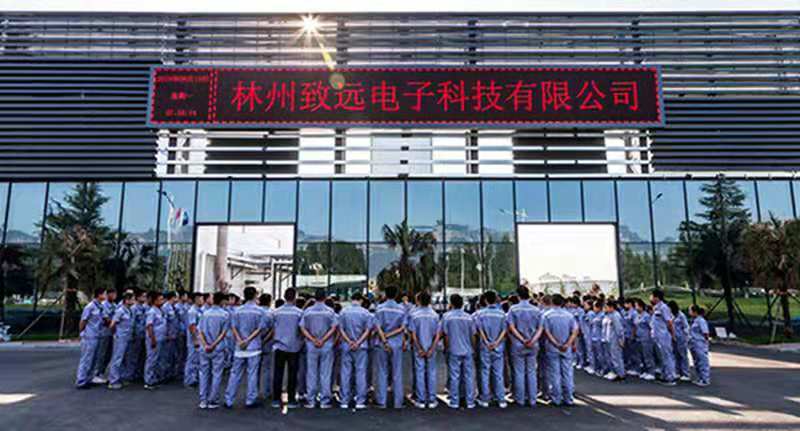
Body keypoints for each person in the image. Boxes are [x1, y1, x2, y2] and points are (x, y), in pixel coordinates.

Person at [223, 287, 266, 408]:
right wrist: (248, 340)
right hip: (254, 347)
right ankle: (250, 400)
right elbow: (259, 329)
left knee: (235, 373)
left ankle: (229, 399)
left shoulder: (237, 311)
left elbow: (233, 327)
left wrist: (240, 340)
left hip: (239, 347)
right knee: (252, 374)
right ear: (255, 295)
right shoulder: (260, 311)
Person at [299, 289, 339, 409]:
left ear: (314, 297)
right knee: (325, 373)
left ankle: (311, 400)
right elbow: (334, 328)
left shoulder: (307, 311)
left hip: (311, 345)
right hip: (326, 345)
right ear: (325, 297)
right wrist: (323, 339)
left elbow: (302, 328)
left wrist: (312, 339)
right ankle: (324, 400)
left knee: (311, 372)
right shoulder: (330, 311)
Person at [506, 286, 543, 407]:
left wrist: (522, 339)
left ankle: (520, 399)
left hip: (518, 344)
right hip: (533, 344)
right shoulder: (536, 310)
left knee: (519, 372)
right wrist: (533, 340)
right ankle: (532, 399)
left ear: (518, 296)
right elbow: (540, 328)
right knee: (532, 371)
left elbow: (511, 327)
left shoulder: (513, 309)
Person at [337, 292, 374, 409]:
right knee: (361, 373)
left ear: (351, 299)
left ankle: (344, 400)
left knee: (345, 373)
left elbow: (341, 330)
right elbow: (368, 331)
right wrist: (358, 342)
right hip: (361, 346)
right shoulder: (366, 313)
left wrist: (349, 341)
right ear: (361, 300)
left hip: (346, 346)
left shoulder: (343, 312)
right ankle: (360, 401)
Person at [374, 284, 408, 409]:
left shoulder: (379, 308)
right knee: (397, 372)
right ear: (396, 295)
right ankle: (398, 402)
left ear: (385, 294)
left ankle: (381, 401)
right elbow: (402, 328)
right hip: (396, 343)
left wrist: (384, 340)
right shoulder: (401, 309)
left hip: (382, 343)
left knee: (382, 372)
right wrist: (391, 336)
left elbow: (377, 327)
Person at [543, 294, 579, 406]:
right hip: (566, 348)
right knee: (567, 373)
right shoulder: (569, 315)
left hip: (552, 347)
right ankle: (568, 398)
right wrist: (568, 344)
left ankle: (556, 398)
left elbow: (547, 332)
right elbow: (575, 331)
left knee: (554, 373)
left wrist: (556, 343)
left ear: (552, 302)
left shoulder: (547, 315)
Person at [473, 290, 507, 408]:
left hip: (485, 346)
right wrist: (497, 342)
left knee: (485, 372)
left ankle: (485, 399)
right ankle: (501, 399)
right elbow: (504, 330)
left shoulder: (479, 314)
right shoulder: (502, 314)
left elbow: (479, 330)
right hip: (498, 346)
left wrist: (487, 341)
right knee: (498, 373)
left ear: (485, 300)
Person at [442, 293, 476, 409]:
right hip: (468, 350)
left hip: (454, 349)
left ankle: (454, 401)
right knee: (469, 376)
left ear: (451, 303)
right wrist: (473, 348)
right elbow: (473, 335)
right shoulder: (469, 317)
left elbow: (445, 335)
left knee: (454, 376)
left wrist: (447, 348)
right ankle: (470, 401)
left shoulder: (446, 317)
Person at [271, 287, 304, 409]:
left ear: (284, 297)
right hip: (294, 346)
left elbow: (272, 328)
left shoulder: (276, 312)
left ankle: (276, 399)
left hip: (279, 346)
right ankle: (291, 399)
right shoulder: (299, 313)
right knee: (292, 374)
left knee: (278, 373)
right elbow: (302, 329)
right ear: (295, 297)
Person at [408, 291, 441, 409]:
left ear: (419, 300)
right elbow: (437, 335)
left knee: (419, 372)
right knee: (431, 372)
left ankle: (420, 400)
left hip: (419, 348)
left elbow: (413, 334)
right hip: (431, 347)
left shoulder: (414, 315)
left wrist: (419, 348)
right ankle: (432, 399)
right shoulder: (435, 315)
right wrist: (432, 348)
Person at [197, 292, 230, 409]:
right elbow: (223, 333)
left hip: (204, 348)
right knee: (217, 374)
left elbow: (200, 331)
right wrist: (213, 345)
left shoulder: (204, 313)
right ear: (222, 301)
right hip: (218, 348)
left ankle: (203, 400)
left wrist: (205, 344)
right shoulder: (225, 315)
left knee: (203, 373)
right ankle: (213, 400)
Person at [75, 288, 107, 388]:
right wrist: (81, 333)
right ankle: (81, 380)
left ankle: (89, 378)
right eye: (104, 294)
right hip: (90, 336)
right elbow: (83, 321)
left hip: (98, 335)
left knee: (94, 359)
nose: (105, 296)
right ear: (99, 295)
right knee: (86, 359)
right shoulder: (90, 307)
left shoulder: (100, 306)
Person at [107, 292, 135, 389]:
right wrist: (116, 334)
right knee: (117, 358)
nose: (133, 301)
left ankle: (121, 377)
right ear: (127, 300)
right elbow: (112, 324)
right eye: (132, 299)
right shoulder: (120, 311)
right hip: (120, 337)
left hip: (127, 337)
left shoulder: (129, 310)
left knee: (123, 358)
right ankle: (113, 380)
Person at [650, 289, 677, 385]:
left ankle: (671, 377)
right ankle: (665, 375)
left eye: (652, 296)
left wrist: (672, 334)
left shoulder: (664, 307)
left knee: (667, 356)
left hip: (664, 336)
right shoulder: (656, 308)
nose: (650, 298)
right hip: (657, 336)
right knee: (662, 357)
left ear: (656, 297)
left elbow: (669, 322)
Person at [144, 291, 167, 390]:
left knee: (157, 359)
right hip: (154, 339)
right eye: (160, 299)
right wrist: (152, 339)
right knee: (151, 360)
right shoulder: (152, 311)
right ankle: (148, 381)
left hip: (160, 338)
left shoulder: (160, 310)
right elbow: (149, 326)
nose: (162, 301)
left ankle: (153, 378)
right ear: (155, 301)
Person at [94, 288, 117, 382]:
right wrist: (114, 325)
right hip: (104, 332)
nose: (114, 296)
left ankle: (102, 372)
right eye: (112, 294)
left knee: (108, 354)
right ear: (108, 295)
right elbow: (106, 318)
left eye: (115, 294)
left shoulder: (114, 305)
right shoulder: (104, 305)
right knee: (101, 354)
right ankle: (96, 373)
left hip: (111, 333)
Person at [124, 290, 148, 382]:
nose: (144, 298)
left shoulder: (144, 307)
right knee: (132, 356)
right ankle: (129, 375)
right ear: (138, 297)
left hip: (143, 335)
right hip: (136, 335)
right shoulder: (134, 308)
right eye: (143, 296)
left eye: (145, 296)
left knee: (141, 356)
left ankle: (138, 374)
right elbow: (132, 322)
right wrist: (132, 334)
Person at [183, 292, 204, 387]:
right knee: (191, 359)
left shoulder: (199, 310)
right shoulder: (192, 311)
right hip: (193, 339)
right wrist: (195, 340)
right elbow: (192, 326)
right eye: (200, 299)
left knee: (196, 359)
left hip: (199, 338)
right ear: (196, 299)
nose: (202, 300)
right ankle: (189, 380)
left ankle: (194, 378)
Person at [633, 299, 657, 381]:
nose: (636, 308)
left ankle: (651, 372)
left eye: (637, 306)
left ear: (641, 307)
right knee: (641, 356)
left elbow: (651, 327)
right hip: (638, 338)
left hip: (646, 338)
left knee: (648, 355)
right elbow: (635, 326)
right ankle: (645, 371)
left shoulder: (646, 316)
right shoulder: (636, 315)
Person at [601, 301, 625, 381]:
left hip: (615, 339)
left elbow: (619, 329)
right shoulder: (608, 315)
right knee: (611, 356)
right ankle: (614, 372)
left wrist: (621, 339)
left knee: (616, 356)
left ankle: (620, 374)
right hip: (608, 338)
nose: (605, 309)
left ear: (611, 307)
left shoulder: (616, 315)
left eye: (606, 307)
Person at [688, 305, 711, 386]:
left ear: (695, 312)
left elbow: (705, 333)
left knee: (702, 361)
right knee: (697, 361)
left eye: (690, 310)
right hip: (694, 343)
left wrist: (705, 342)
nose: (689, 312)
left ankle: (705, 379)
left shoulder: (701, 321)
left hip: (700, 343)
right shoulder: (695, 320)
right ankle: (700, 378)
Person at [669, 301, 691, 382]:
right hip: (673, 338)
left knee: (683, 356)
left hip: (681, 338)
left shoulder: (681, 315)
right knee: (675, 355)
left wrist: (686, 337)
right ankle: (677, 371)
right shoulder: (671, 315)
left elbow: (686, 327)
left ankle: (686, 373)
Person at [258, 293, 274, 401]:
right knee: (266, 369)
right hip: (267, 344)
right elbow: (273, 330)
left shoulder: (256, 312)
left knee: (254, 370)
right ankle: (266, 391)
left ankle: (253, 392)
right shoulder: (271, 313)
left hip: (254, 343)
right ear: (270, 301)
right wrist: (264, 340)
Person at [590, 300, 606, 377]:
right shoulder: (595, 315)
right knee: (596, 354)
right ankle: (598, 368)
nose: (593, 308)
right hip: (594, 336)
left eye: (594, 307)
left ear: (599, 307)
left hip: (599, 337)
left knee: (601, 354)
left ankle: (603, 369)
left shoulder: (603, 315)